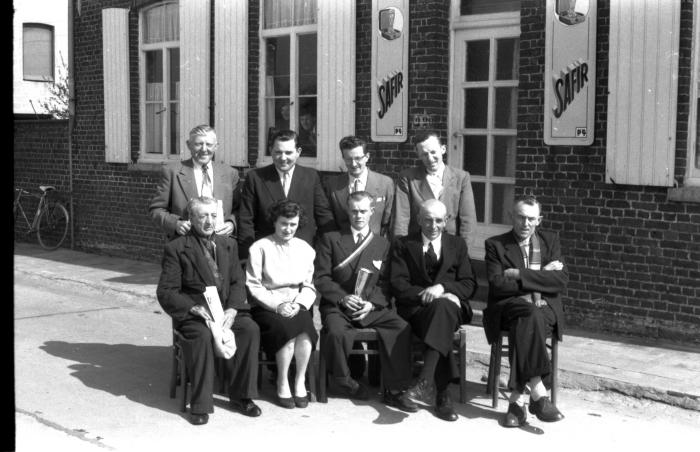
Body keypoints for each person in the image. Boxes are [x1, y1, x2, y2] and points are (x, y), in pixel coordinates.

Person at [156, 196, 261, 425]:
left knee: (249, 329)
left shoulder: (228, 244)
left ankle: (242, 396)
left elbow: (237, 281)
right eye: (202, 216)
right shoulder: (176, 248)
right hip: (196, 314)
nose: (209, 221)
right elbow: (166, 291)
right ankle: (200, 404)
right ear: (191, 218)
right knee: (202, 336)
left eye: (213, 216)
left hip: (225, 311)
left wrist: (233, 309)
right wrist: (192, 307)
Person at [314, 191, 416, 412]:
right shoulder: (330, 239)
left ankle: (396, 389)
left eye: (363, 211)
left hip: (370, 306)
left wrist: (373, 304)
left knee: (401, 327)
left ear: (372, 212)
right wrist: (342, 297)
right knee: (336, 331)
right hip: (339, 305)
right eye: (354, 211)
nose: (358, 215)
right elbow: (321, 278)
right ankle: (344, 379)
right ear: (347, 212)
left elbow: (387, 282)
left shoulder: (383, 244)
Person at [483, 195, 568, 427]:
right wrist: (543, 275)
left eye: (531, 219)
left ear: (539, 220)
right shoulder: (496, 245)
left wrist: (520, 275)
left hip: (544, 308)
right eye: (521, 217)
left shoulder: (550, 241)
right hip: (507, 306)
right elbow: (498, 285)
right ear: (512, 216)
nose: (525, 223)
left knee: (528, 319)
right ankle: (539, 393)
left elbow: (560, 281)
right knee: (527, 314)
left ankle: (516, 402)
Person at [390, 199, 476, 422]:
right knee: (441, 310)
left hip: (452, 308)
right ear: (419, 219)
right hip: (417, 311)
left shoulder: (457, 245)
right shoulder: (403, 244)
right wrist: (429, 294)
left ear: (446, 221)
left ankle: (425, 381)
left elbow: (468, 284)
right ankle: (443, 394)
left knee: (444, 307)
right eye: (428, 219)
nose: (433, 225)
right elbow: (398, 284)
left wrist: (444, 288)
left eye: (439, 220)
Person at [245, 200, 319, 409]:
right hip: (268, 305)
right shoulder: (260, 247)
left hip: (296, 303)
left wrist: (300, 304)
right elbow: (254, 285)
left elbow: (309, 284)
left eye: (293, 224)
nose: (288, 229)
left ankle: (300, 381)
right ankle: (282, 380)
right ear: (275, 223)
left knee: (305, 332)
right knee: (285, 330)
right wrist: (277, 305)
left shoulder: (305, 249)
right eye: (283, 223)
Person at [238, 129, 335, 257]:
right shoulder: (255, 177)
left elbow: (323, 216)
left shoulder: (311, 177)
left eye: (288, 153)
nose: (283, 158)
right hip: (267, 254)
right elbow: (246, 220)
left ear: (298, 152)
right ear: (271, 150)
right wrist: (248, 256)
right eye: (278, 152)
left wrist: (324, 252)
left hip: (303, 254)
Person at [149, 125, 240, 240]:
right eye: (198, 144)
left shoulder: (230, 173)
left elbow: (240, 209)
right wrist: (175, 224)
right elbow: (156, 209)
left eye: (209, 144)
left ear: (216, 146)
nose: (204, 149)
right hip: (185, 245)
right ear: (189, 145)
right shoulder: (172, 172)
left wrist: (232, 223)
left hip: (221, 245)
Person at [393, 131, 477, 248]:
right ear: (418, 154)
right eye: (424, 154)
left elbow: (468, 220)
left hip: (450, 246)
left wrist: (463, 251)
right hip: (417, 245)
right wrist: (401, 248)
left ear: (443, 149)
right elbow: (401, 218)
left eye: (433, 152)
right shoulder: (408, 178)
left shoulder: (461, 178)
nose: (430, 158)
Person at [326, 136, 395, 237]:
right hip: (343, 245)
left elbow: (388, 220)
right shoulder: (333, 185)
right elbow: (329, 219)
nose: (353, 164)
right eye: (348, 159)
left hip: (374, 245)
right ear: (343, 158)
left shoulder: (385, 183)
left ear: (367, 157)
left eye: (358, 158)